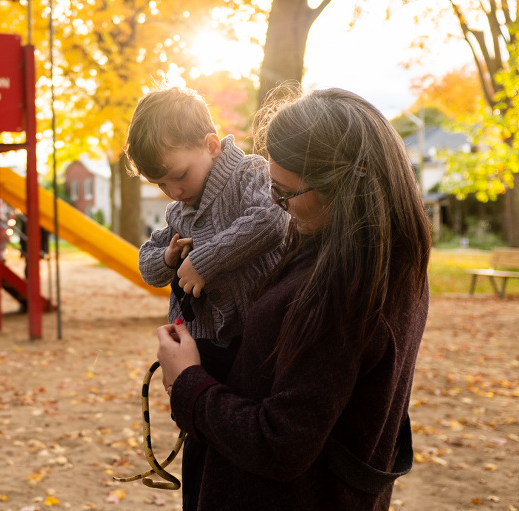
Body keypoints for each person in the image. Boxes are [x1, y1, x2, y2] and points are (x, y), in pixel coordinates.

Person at [155, 87, 432, 510]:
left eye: (285, 193)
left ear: (344, 184)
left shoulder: (337, 292)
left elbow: (279, 443)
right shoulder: (389, 258)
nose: (275, 204)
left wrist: (188, 382)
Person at [125, 85, 288, 509]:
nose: (173, 190)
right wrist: (168, 256)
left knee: (239, 448)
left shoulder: (249, 174)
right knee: (199, 443)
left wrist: (208, 258)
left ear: (211, 146)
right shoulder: (180, 211)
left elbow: (271, 218)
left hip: (252, 342)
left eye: (178, 175)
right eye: (160, 183)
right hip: (204, 346)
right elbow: (146, 265)